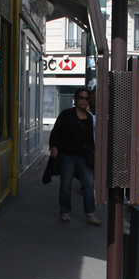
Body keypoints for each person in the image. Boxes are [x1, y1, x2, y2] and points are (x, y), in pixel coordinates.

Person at [49, 87, 101, 226]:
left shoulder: (89, 118)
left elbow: (91, 139)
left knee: (89, 185)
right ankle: (65, 212)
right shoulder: (66, 115)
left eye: (86, 98)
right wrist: (53, 146)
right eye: (81, 98)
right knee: (66, 184)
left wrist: (94, 154)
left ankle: (90, 214)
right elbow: (56, 132)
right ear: (75, 99)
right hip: (67, 156)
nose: (83, 101)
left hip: (84, 157)